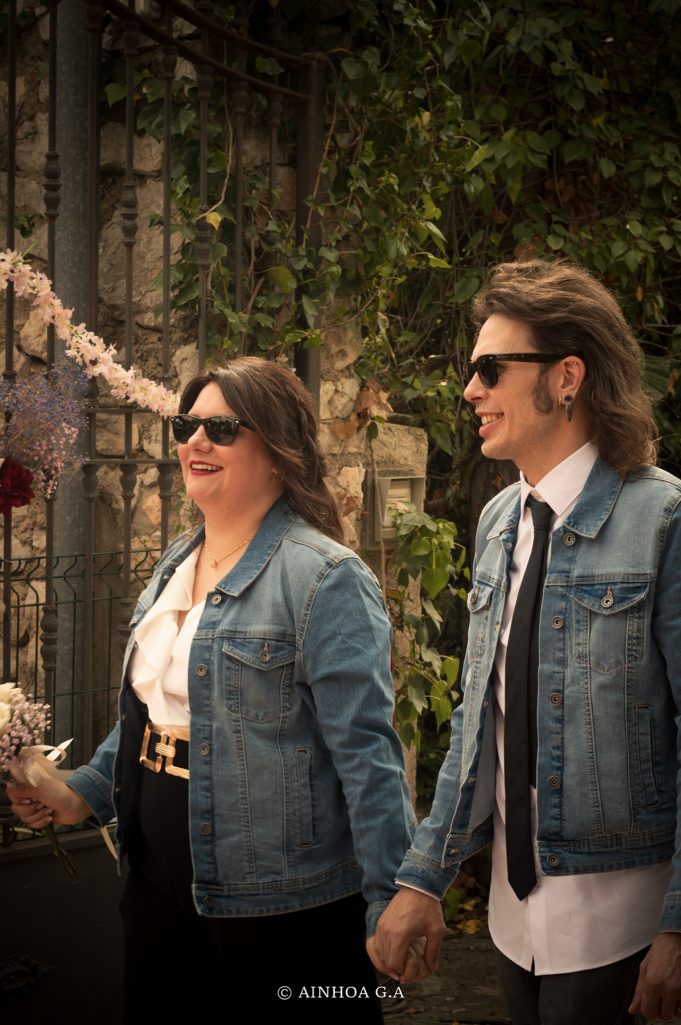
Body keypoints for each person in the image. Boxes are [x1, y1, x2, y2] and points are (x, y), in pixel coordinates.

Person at [9, 356, 416, 1023]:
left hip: (278, 896)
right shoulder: (177, 560)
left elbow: (367, 755)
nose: (196, 440)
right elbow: (154, 715)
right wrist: (80, 790)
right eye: (187, 425)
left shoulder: (325, 578)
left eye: (222, 429)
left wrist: (393, 896)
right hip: (155, 877)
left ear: (278, 450)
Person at [368, 260, 681, 1025]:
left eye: (489, 369)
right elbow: (480, 723)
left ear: (565, 377)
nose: (468, 390)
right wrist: (422, 878)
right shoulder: (497, 522)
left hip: (621, 918)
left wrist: (678, 924)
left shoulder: (663, 521)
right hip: (511, 921)